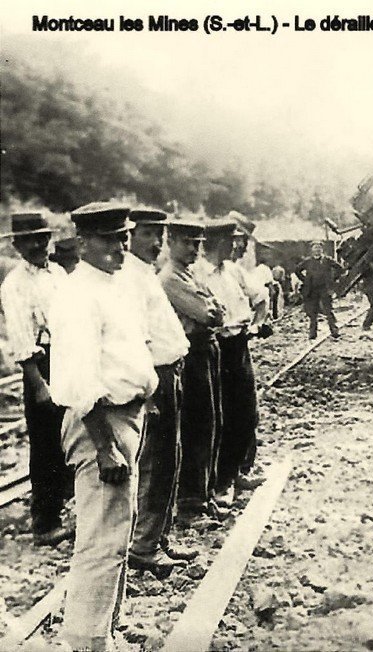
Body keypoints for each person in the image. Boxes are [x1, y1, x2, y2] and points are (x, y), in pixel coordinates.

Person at [49, 202, 158, 651]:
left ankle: (103, 628)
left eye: (124, 235)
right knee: (100, 537)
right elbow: (79, 377)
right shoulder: (78, 294)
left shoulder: (110, 285)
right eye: (109, 238)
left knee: (118, 529)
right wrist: (105, 446)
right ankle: (86, 641)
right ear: (82, 243)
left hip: (123, 415)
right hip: (101, 423)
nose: (122, 245)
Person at [122, 207, 195, 577]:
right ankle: (144, 545)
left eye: (159, 236)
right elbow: (137, 339)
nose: (156, 243)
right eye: (148, 235)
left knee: (171, 458)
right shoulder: (128, 277)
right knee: (155, 462)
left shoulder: (144, 274)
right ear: (129, 235)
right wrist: (149, 392)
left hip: (170, 372)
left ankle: (159, 536)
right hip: (154, 377)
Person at [0, 212, 74, 546]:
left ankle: (64, 505)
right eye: (28, 240)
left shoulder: (57, 273)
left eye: (41, 238)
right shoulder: (15, 284)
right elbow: (20, 338)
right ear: (16, 245)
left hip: (67, 358)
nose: (36, 245)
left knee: (70, 436)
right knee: (46, 445)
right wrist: (38, 384)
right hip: (41, 364)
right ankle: (45, 523)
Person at [160, 220, 225, 522]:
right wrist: (211, 309)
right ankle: (190, 505)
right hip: (191, 352)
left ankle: (205, 495)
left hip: (205, 349)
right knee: (196, 427)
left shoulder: (191, 274)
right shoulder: (170, 278)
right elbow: (208, 313)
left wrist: (213, 310)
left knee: (212, 423)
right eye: (186, 242)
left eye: (197, 244)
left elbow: (218, 311)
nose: (193, 249)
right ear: (170, 241)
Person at [198, 220, 262, 508]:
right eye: (230, 240)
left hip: (239, 345)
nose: (235, 245)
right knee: (220, 418)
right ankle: (220, 482)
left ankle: (236, 473)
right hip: (215, 348)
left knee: (246, 414)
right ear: (213, 242)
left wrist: (259, 324)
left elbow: (261, 297)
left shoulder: (235, 271)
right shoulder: (197, 274)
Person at [296, 241, 344, 339]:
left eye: (319, 248)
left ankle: (334, 331)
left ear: (322, 250)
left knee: (328, 310)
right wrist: (305, 280)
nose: (317, 250)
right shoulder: (308, 261)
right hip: (312, 289)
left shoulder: (327, 260)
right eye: (315, 248)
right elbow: (297, 270)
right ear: (312, 250)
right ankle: (312, 333)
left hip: (324, 289)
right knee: (313, 312)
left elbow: (340, 268)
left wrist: (333, 279)